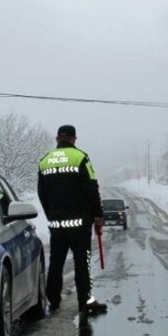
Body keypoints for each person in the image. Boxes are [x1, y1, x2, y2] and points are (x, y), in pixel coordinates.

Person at [38, 124, 108, 318]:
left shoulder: (44, 161)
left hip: (57, 224)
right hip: (79, 224)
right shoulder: (81, 158)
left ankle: (53, 300)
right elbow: (92, 189)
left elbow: (42, 194)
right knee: (82, 263)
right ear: (74, 139)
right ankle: (85, 302)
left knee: (56, 263)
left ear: (57, 139)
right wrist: (97, 215)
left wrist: (51, 214)